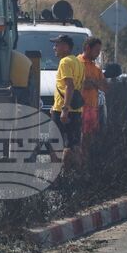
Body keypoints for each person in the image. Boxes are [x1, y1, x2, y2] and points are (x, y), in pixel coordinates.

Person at [50, 34, 85, 170]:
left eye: (57, 45)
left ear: (65, 47)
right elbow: (80, 87)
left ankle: (55, 177)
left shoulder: (65, 62)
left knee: (54, 144)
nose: (55, 48)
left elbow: (69, 85)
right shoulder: (78, 62)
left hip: (62, 109)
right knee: (73, 144)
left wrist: (64, 109)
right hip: (76, 110)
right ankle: (77, 175)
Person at [79, 37, 107, 140]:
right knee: (79, 140)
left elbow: (105, 86)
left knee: (89, 140)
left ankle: (86, 156)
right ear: (87, 48)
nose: (98, 54)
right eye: (96, 51)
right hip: (79, 109)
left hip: (93, 108)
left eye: (99, 51)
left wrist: (92, 82)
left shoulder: (97, 67)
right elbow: (81, 84)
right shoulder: (77, 63)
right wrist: (95, 83)